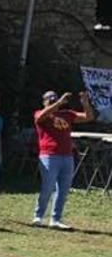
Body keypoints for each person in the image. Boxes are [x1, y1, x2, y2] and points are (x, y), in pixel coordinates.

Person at [33, 91, 94, 230]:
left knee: (63, 189)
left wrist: (85, 103)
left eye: (55, 98)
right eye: (50, 99)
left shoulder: (67, 114)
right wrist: (59, 102)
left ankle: (56, 219)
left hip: (67, 156)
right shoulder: (40, 113)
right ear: (44, 102)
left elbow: (88, 117)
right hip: (49, 155)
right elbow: (41, 117)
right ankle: (38, 216)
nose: (53, 100)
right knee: (48, 187)